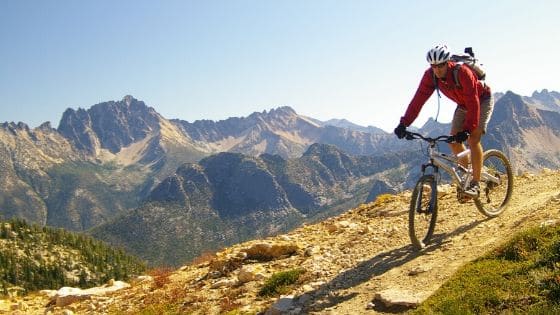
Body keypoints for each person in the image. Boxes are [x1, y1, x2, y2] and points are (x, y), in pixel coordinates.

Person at [394, 44, 494, 197]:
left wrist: (467, 129)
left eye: (440, 65)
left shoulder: (463, 73)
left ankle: (475, 183)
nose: (437, 69)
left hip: (482, 100)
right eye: (433, 66)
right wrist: (404, 123)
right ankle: (467, 179)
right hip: (463, 105)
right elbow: (418, 100)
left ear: (448, 62)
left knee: (473, 139)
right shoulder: (430, 76)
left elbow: (473, 103)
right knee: (453, 141)